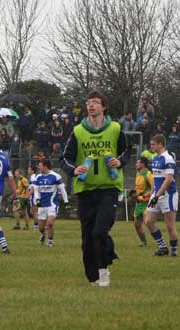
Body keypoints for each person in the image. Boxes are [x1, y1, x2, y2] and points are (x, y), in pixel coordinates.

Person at [61, 89, 129, 287]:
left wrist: (119, 161)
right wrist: (75, 170)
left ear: (104, 107)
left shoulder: (115, 128)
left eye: (95, 102)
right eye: (89, 102)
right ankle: (93, 278)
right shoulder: (78, 131)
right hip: (86, 189)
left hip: (109, 189)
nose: (91, 105)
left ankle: (104, 270)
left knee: (99, 232)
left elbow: (127, 152)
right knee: (87, 238)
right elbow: (64, 158)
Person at [144, 134, 179, 257]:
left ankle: (174, 250)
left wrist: (157, 195)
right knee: (148, 221)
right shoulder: (155, 158)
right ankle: (163, 247)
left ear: (160, 144)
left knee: (170, 226)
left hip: (168, 195)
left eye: (153, 144)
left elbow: (168, 180)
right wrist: (152, 193)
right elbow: (155, 178)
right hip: (157, 195)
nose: (151, 146)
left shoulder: (168, 158)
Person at [33, 160, 69, 247]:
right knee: (41, 227)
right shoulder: (38, 177)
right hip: (42, 205)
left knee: (50, 223)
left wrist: (66, 202)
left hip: (52, 205)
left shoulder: (55, 176)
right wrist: (37, 200)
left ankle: (50, 242)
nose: (39, 167)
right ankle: (43, 234)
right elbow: (36, 190)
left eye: (40, 165)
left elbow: (62, 190)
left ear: (45, 166)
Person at [133, 156, 153, 247]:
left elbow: (154, 189)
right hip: (139, 203)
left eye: (137, 162)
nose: (136, 164)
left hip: (146, 203)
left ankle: (160, 242)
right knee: (137, 224)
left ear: (143, 164)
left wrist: (144, 196)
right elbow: (139, 187)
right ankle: (144, 243)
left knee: (148, 222)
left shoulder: (148, 174)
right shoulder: (138, 173)